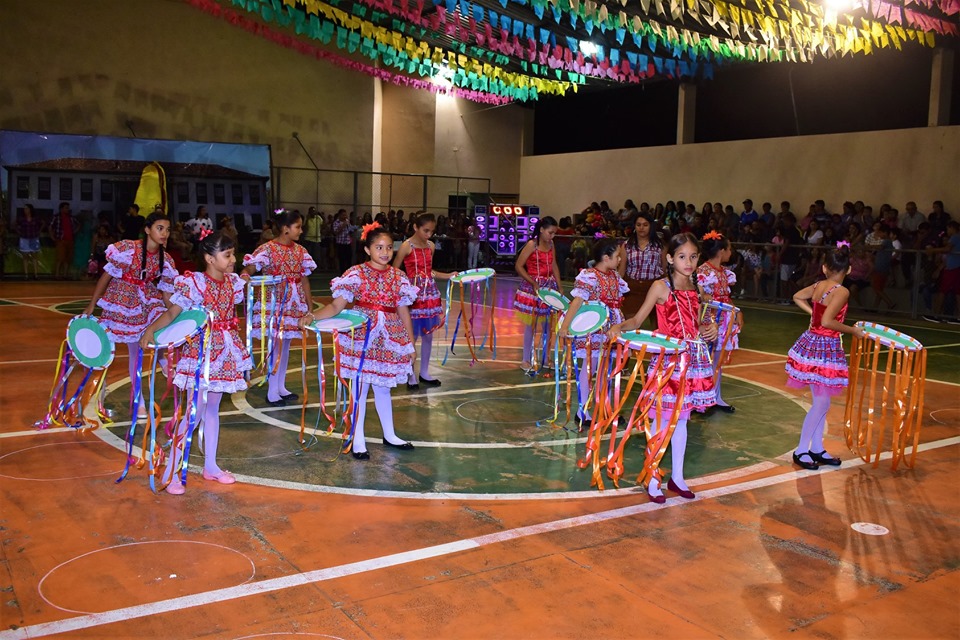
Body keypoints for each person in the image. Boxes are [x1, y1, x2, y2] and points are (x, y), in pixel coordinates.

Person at [608, 233, 718, 503]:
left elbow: (701, 321)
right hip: (668, 364)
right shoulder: (661, 287)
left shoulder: (698, 288)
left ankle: (677, 478)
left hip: (691, 362)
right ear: (670, 258)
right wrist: (618, 327)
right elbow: (637, 320)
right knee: (661, 420)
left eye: (693, 256)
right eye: (682, 256)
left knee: (682, 421)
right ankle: (653, 476)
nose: (688, 262)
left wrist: (710, 327)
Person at [140, 231, 252, 494]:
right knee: (193, 413)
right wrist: (150, 331)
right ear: (209, 259)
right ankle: (171, 471)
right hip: (200, 354)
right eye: (227, 255)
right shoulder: (194, 283)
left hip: (224, 354)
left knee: (212, 410)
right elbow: (173, 313)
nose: (232, 259)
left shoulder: (233, 282)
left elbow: (237, 298)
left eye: (233, 254)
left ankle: (211, 466)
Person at [300, 224, 417, 460]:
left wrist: (410, 344)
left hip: (390, 339)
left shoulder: (399, 277)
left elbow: (404, 312)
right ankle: (358, 439)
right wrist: (312, 316)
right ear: (367, 249)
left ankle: (390, 434)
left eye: (388, 248)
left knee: (383, 388)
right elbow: (335, 306)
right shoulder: (356, 274)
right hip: (362, 338)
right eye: (378, 247)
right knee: (360, 390)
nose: (384, 252)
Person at [82, 212, 178, 418]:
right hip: (122, 299)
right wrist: (92, 305)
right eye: (160, 228)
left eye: (168, 230)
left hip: (145, 298)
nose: (165, 234)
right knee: (128, 349)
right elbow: (106, 277)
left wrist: (176, 315)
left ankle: (164, 362)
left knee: (160, 325)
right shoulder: (128, 249)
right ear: (147, 229)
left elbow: (167, 294)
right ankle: (137, 400)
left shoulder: (165, 259)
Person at [785, 242, 866, 470]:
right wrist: (853, 331)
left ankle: (817, 447)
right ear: (848, 270)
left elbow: (797, 296)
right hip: (824, 347)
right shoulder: (841, 291)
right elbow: (828, 322)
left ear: (824, 268)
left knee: (823, 402)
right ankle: (802, 450)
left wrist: (813, 313)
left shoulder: (819, 285)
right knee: (821, 403)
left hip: (813, 344)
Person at [241, 210, 316, 407]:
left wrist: (309, 305)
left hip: (294, 302)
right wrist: (245, 274)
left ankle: (280, 387)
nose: (300, 231)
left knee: (287, 344)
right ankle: (272, 390)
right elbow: (252, 267)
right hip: (275, 303)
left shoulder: (301, 251)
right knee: (276, 345)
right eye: (297, 227)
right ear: (285, 229)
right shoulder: (267, 249)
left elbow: (304, 279)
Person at [558, 239, 628, 429]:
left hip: (611, 330)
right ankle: (582, 411)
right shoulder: (590, 276)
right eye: (617, 256)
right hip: (595, 329)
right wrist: (565, 325)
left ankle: (604, 407)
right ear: (606, 258)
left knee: (606, 370)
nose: (620, 259)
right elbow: (577, 301)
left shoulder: (614, 276)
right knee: (589, 368)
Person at [393, 213, 458, 389]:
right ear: (415, 227)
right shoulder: (407, 246)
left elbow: (430, 272)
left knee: (428, 335)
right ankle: (409, 374)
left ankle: (424, 372)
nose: (429, 234)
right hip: (413, 296)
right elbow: (395, 271)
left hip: (429, 295)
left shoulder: (430, 246)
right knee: (411, 336)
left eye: (432, 231)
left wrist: (448, 275)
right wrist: (404, 288)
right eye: (425, 230)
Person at [697, 231, 743, 412]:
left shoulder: (725, 273)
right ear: (721, 251)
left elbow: (725, 298)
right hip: (709, 320)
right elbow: (701, 297)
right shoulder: (704, 272)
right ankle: (701, 398)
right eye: (729, 248)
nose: (731, 252)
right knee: (705, 359)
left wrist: (736, 311)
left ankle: (716, 396)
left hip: (723, 320)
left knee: (717, 359)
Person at [513, 216, 563, 371]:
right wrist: (532, 281)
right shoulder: (531, 245)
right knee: (531, 325)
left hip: (549, 288)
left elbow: (553, 264)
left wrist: (559, 286)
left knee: (548, 325)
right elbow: (519, 266)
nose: (552, 236)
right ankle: (525, 359)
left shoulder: (551, 244)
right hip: (533, 289)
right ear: (541, 230)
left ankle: (546, 358)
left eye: (554, 233)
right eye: (550, 232)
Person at [618, 212, 662, 321]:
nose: (641, 228)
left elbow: (664, 270)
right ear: (634, 226)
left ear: (651, 226)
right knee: (629, 321)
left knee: (659, 323)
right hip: (632, 288)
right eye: (638, 225)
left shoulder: (660, 246)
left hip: (654, 287)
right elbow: (622, 271)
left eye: (645, 225)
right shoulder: (626, 245)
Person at [17, 204, 42, 280]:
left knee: (35, 256)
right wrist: (19, 232)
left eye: (27, 209)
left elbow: (43, 223)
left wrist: (39, 231)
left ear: (30, 209)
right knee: (25, 257)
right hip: (24, 238)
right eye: (24, 209)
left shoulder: (36, 218)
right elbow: (15, 225)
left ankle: (36, 274)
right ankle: (26, 275)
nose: (25, 210)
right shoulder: (21, 219)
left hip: (34, 238)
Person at [333, 209, 354, 273]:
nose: (345, 216)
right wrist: (343, 225)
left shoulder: (347, 221)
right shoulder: (336, 222)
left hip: (347, 243)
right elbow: (335, 232)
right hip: (340, 244)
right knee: (342, 259)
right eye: (343, 215)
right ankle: (342, 273)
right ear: (339, 215)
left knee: (349, 259)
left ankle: (349, 272)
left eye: (345, 215)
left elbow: (350, 230)